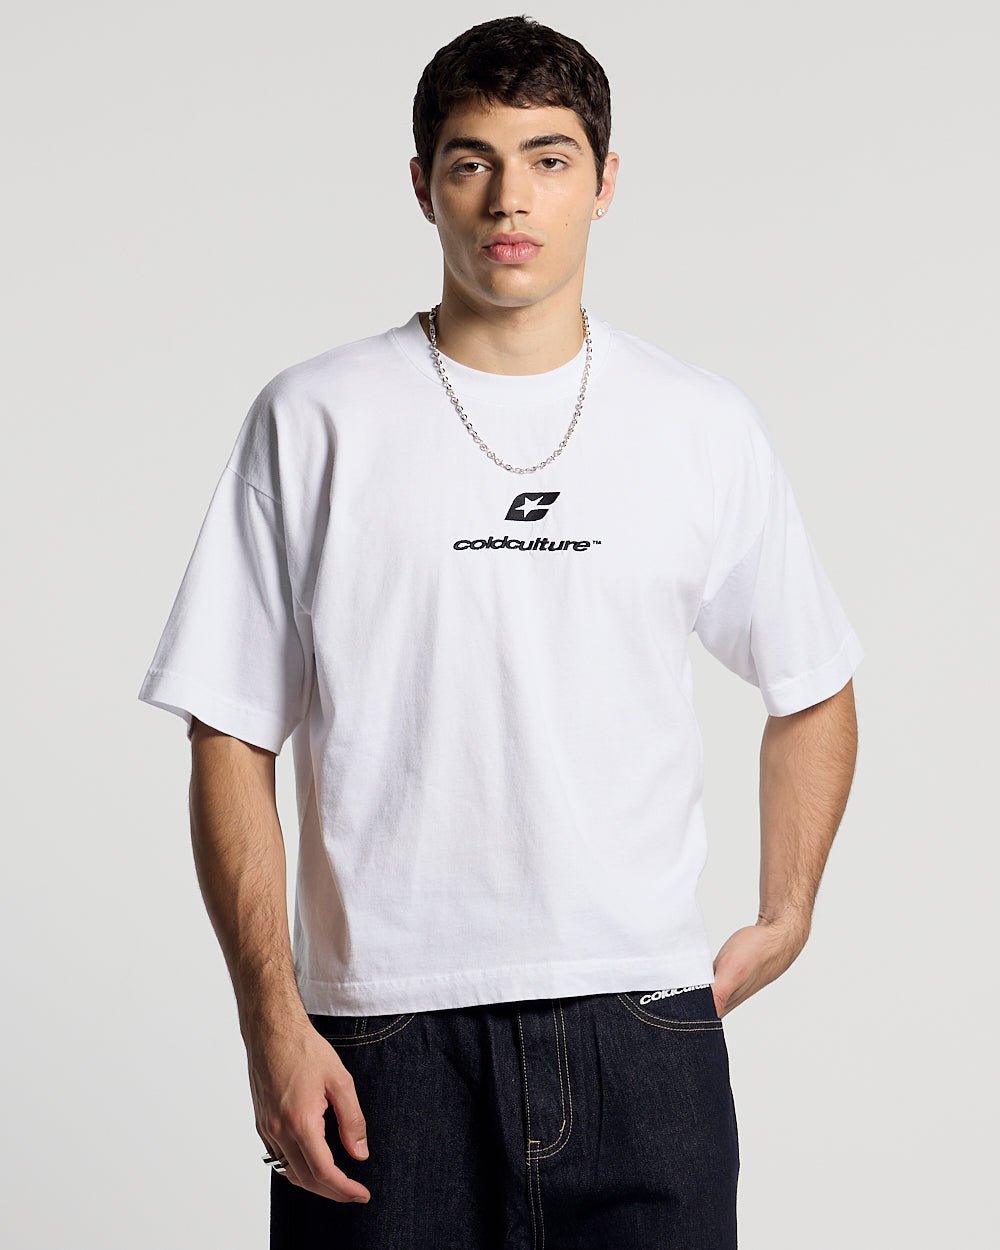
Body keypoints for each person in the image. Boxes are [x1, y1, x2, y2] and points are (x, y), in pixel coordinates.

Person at [137, 15, 863, 1249]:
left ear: (605, 181)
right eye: (471, 161)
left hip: (639, 1023)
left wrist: (786, 908)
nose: (508, 197)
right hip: (381, 1035)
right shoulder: (315, 418)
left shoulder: (696, 423)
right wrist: (271, 1016)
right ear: (423, 184)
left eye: (548, 158)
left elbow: (813, 680)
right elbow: (229, 727)